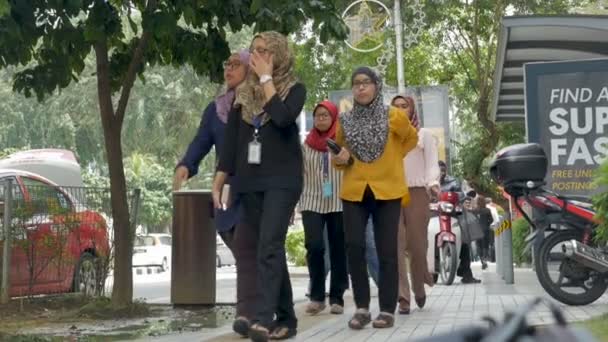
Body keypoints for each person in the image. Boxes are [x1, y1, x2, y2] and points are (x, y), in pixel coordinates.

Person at [212, 31, 306, 342]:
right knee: (271, 249)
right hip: (251, 181)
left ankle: (262, 319)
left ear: (278, 54)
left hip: (283, 180)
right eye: (254, 51)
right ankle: (288, 319)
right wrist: (220, 180)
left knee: (268, 245)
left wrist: (267, 79)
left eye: (265, 51)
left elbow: (280, 118)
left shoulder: (295, 89)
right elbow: (232, 144)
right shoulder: (243, 95)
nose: (257, 57)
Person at [173, 50, 255, 335]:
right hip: (227, 187)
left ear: (250, 69)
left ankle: (250, 310)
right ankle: (258, 302)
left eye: (235, 64)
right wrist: (186, 164)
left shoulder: (262, 101)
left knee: (249, 247)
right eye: (227, 63)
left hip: (258, 186)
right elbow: (201, 141)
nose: (228, 69)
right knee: (235, 240)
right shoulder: (217, 108)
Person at [332, 67, 418, 330]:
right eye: (356, 83)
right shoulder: (345, 120)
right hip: (354, 190)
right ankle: (361, 308)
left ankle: (387, 309)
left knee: (387, 251)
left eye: (366, 83)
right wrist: (341, 159)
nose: (360, 88)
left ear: (376, 86)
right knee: (354, 247)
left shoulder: (394, 115)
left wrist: (392, 158)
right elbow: (339, 154)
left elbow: (411, 140)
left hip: (388, 190)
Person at [391, 95, 440, 315]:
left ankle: (419, 286)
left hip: (418, 193)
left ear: (412, 109)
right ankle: (403, 297)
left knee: (418, 247)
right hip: (390, 194)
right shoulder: (387, 134)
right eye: (396, 106)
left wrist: (433, 183)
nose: (400, 109)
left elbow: (431, 163)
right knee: (396, 247)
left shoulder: (424, 135)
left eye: (404, 106)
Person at [300, 100, 348, 316]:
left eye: (325, 115)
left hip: (337, 199)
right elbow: (299, 174)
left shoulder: (341, 142)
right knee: (314, 246)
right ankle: (317, 296)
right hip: (311, 200)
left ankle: (337, 296)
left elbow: (351, 166)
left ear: (333, 118)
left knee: (338, 247)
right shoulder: (306, 145)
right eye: (317, 115)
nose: (320, 119)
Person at [438, 161, 481, 284]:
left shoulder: (454, 182)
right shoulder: (428, 183)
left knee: (463, 240)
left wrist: (462, 196)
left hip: (453, 215)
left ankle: (466, 272)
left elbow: (463, 192)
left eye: (443, 170)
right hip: (434, 215)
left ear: (446, 170)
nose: (441, 172)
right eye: (438, 170)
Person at [475, 195, 494, 270]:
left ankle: (482, 261)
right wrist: (487, 223)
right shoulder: (487, 210)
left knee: (479, 246)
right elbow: (491, 220)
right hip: (485, 230)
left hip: (477, 230)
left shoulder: (475, 210)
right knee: (485, 246)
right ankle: (485, 259)